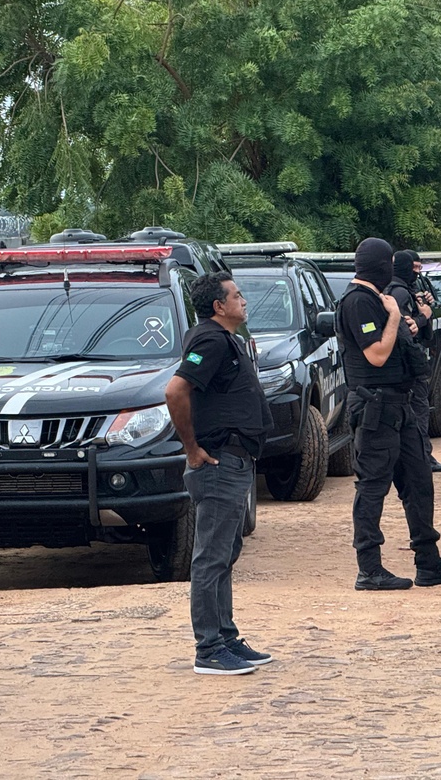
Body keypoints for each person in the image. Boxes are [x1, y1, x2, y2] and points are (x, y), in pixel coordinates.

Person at [335, 237, 441, 591]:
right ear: (379, 266)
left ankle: (429, 563)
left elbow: (395, 344)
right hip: (374, 408)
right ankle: (369, 569)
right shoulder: (357, 302)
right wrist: (396, 317)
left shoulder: (378, 300)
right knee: (372, 488)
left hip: (401, 406)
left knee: (418, 483)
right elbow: (377, 355)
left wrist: (408, 325)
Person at [165, 271, 274, 676]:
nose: (243, 301)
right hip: (217, 465)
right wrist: (191, 449)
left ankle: (226, 637)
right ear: (219, 306)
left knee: (226, 553)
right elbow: (175, 391)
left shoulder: (225, 339)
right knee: (210, 557)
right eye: (237, 295)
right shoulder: (209, 339)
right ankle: (208, 648)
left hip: (236, 460)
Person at [386, 250, 441, 473]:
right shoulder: (400, 292)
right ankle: (423, 458)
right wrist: (424, 316)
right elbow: (406, 328)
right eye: (414, 269)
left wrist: (424, 303)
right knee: (419, 409)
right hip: (407, 364)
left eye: (420, 269)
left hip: (398, 364)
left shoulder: (401, 290)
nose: (418, 273)